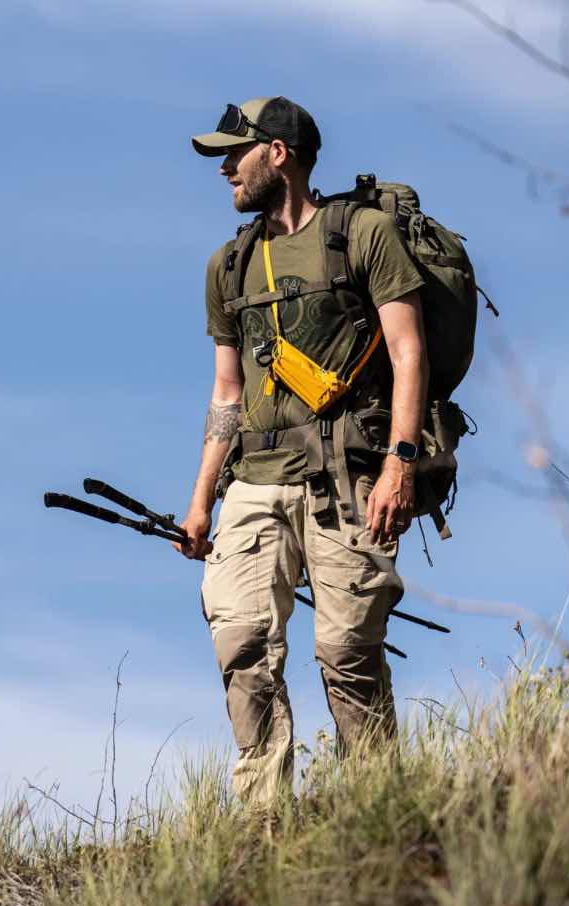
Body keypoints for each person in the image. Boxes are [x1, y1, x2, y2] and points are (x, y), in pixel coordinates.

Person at [175, 97, 429, 807]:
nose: (225, 168)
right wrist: (201, 500)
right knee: (241, 643)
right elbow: (227, 392)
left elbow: (409, 353)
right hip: (253, 483)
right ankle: (261, 820)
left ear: (278, 153)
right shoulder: (229, 265)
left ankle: (376, 807)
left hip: (348, 477)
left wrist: (400, 464)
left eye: (236, 153)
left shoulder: (363, 235)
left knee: (347, 652)